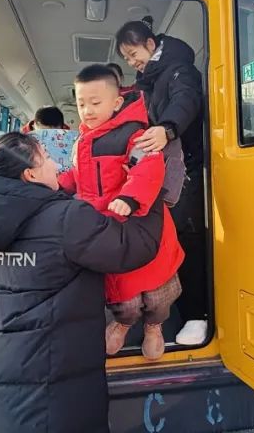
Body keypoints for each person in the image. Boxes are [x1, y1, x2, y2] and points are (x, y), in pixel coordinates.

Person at [0, 132, 166, 433]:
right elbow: (133, 246)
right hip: (56, 387)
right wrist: (148, 189)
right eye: (46, 158)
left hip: (6, 383)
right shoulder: (66, 218)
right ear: (30, 174)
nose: (55, 164)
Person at [58, 64, 184, 359]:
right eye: (81, 103)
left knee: (157, 294)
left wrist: (130, 197)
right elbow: (78, 174)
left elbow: (149, 167)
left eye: (95, 103)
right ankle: (123, 324)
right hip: (107, 228)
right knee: (122, 294)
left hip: (142, 224)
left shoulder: (135, 134)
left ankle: (155, 327)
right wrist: (57, 185)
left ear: (116, 103)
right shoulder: (81, 141)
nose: (87, 111)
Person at [115, 16, 209, 346]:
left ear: (150, 45)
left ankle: (198, 315)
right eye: (126, 58)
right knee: (168, 240)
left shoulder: (181, 71)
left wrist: (167, 128)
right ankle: (171, 312)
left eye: (132, 53)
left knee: (189, 240)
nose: (131, 62)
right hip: (163, 171)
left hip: (187, 170)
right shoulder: (149, 81)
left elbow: (187, 101)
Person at [28, 106, 78, 173]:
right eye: (43, 133)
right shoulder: (21, 140)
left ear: (62, 127)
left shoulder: (72, 140)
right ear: (34, 125)